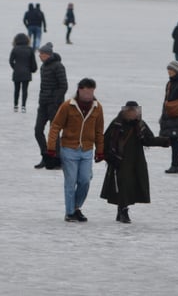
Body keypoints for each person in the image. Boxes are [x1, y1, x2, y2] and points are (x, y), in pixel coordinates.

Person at [100, 101, 170, 223]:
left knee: (130, 186)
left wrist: (164, 141)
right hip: (119, 160)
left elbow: (148, 139)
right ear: (125, 111)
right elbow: (105, 140)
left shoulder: (140, 124)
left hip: (136, 161)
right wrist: (107, 156)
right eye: (130, 111)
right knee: (122, 184)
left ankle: (121, 210)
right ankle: (123, 211)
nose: (133, 114)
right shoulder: (117, 124)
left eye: (135, 111)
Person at [47, 77, 105, 222]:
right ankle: (70, 212)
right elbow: (55, 126)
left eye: (91, 92)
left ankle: (76, 207)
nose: (89, 95)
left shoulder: (97, 108)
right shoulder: (68, 106)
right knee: (70, 181)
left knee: (85, 180)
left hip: (87, 150)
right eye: (86, 92)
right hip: (69, 149)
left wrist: (100, 151)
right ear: (79, 90)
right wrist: (51, 148)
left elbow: (99, 131)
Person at [34, 42, 68, 170]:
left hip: (55, 105)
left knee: (53, 133)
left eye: (41, 54)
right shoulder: (43, 67)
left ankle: (57, 159)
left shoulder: (58, 66)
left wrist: (55, 101)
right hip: (43, 104)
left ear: (47, 55)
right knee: (38, 131)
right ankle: (45, 156)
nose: (39, 56)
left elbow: (63, 86)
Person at [9, 32, 37, 113]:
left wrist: (15, 67)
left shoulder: (15, 49)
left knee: (16, 89)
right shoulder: (30, 49)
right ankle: (23, 106)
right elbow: (33, 62)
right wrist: (33, 69)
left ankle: (15, 105)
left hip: (17, 72)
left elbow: (11, 61)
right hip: (26, 72)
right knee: (25, 90)